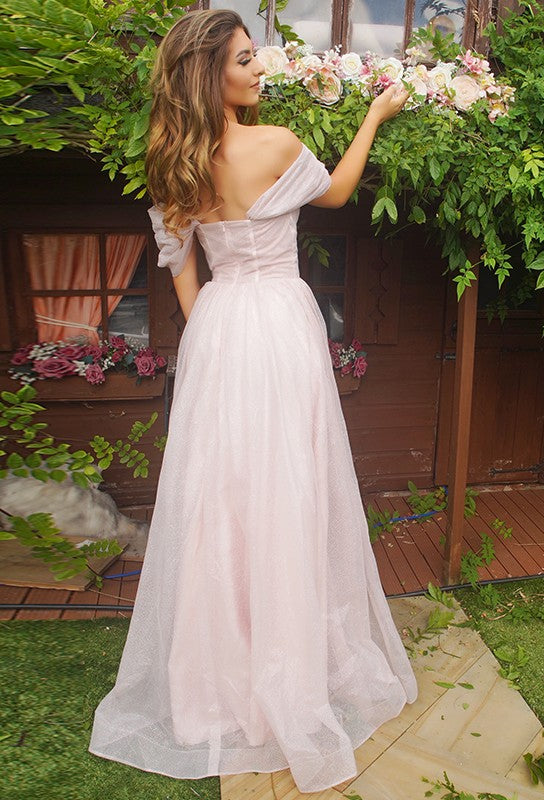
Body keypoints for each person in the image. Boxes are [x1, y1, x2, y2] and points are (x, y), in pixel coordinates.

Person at [88, 8, 417, 794]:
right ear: (212, 73)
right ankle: (290, 660)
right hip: (278, 321)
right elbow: (337, 191)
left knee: (223, 496)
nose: (259, 67)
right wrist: (376, 114)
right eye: (244, 58)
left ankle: (219, 671)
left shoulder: (171, 162)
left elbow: (183, 272)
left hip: (222, 327)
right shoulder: (272, 145)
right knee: (289, 485)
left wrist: (211, 336)